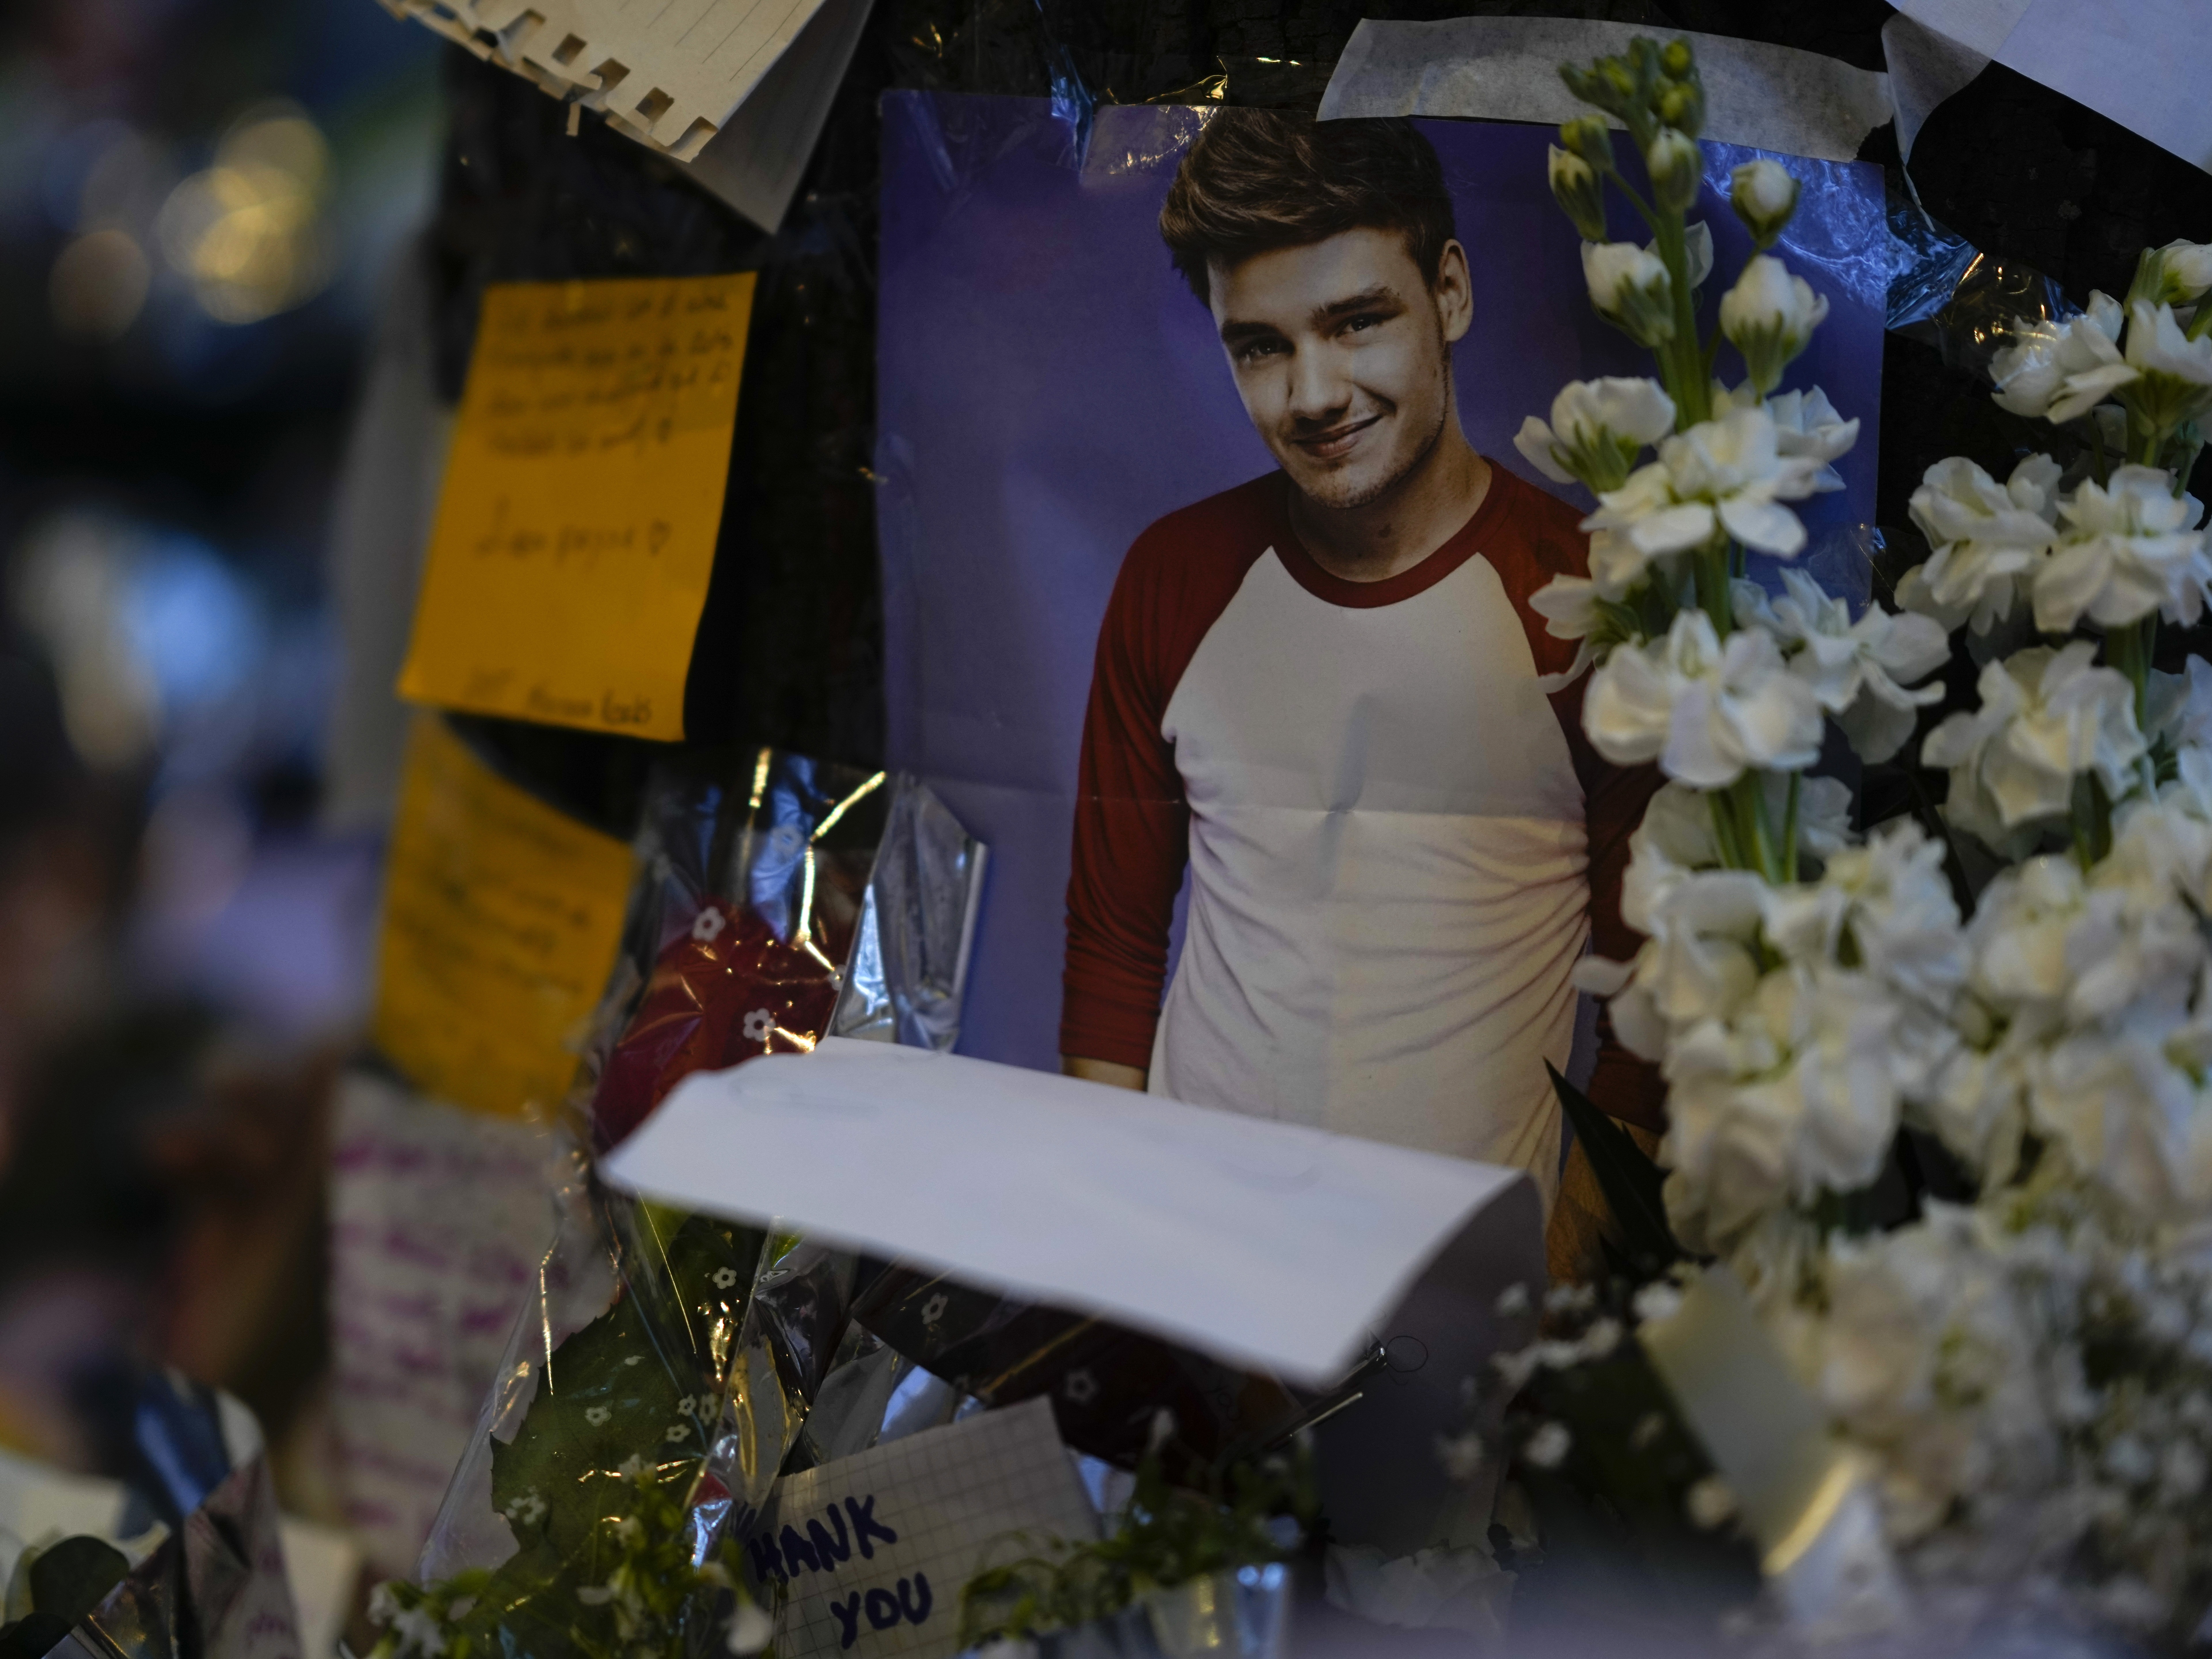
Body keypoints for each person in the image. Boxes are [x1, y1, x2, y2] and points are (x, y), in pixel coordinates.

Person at [1058, 111, 1662, 1208]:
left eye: (1357, 322)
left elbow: (1655, 1016)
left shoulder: (1594, 596)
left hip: (1463, 1303)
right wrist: (1114, 1258)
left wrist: (1564, 1293)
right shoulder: (1176, 576)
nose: (1315, 394)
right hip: (1191, 1266)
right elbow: (1113, 947)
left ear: (1451, 294)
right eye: (1263, 345)